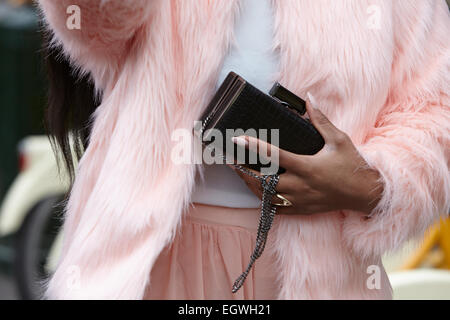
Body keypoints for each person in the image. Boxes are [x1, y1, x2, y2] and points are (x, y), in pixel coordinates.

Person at [38, 0, 449, 299]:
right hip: (155, 260)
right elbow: (92, 23)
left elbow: (436, 113)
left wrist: (371, 184)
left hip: (323, 267)